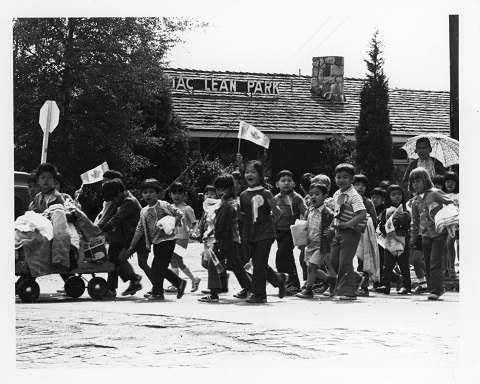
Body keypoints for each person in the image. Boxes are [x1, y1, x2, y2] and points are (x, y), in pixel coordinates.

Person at [238, 158, 289, 304]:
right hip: (251, 234)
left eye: (253, 171)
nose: (249, 174)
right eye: (247, 172)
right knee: (258, 262)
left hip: (266, 233)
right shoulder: (243, 195)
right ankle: (279, 279)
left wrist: (274, 207)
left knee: (259, 262)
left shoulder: (266, 193)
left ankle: (259, 294)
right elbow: (242, 217)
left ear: (260, 175)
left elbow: (278, 213)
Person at [127, 178, 187, 300]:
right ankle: (178, 283)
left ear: (158, 193)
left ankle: (158, 292)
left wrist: (171, 224)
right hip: (156, 243)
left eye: (151, 191)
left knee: (157, 267)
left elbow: (179, 213)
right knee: (159, 267)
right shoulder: (143, 211)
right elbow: (139, 229)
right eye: (145, 192)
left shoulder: (164, 205)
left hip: (168, 241)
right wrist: (132, 246)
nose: (147, 194)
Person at [199, 174, 252, 302]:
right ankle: (250, 286)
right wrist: (208, 233)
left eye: (224, 188)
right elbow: (217, 223)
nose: (221, 192)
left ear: (230, 189)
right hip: (225, 240)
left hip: (227, 240)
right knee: (235, 265)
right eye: (218, 189)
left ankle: (214, 294)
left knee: (213, 265)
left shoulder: (231, 204)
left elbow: (226, 223)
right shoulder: (220, 203)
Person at [408, 167, 454, 300]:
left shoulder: (434, 193)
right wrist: (413, 238)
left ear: (426, 181)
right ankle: (434, 288)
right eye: (413, 182)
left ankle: (436, 290)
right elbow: (414, 222)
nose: (415, 184)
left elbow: (450, 202)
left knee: (435, 261)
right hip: (425, 235)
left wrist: (447, 216)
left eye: (418, 180)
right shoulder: (415, 201)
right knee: (427, 262)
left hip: (439, 232)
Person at [324, 163, 367, 300]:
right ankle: (357, 278)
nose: (341, 180)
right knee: (333, 260)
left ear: (352, 179)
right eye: (338, 177)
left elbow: (362, 214)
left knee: (345, 261)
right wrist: (332, 226)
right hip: (338, 231)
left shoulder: (354, 195)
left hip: (351, 231)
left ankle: (347, 292)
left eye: (345, 177)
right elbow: (337, 213)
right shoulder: (337, 193)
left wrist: (347, 224)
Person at [98, 178, 143, 297]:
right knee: (113, 260)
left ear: (119, 192)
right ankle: (133, 280)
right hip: (120, 237)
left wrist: (102, 231)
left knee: (115, 261)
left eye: (113, 198)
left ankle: (113, 288)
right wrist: (95, 229)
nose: (112, 201)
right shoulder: (119, 201)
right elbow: (107, 217)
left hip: (130, 237)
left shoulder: (129, 201)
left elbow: (116, 219)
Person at [296, 183, 336, 299]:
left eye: (317, 194)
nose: (313, 197)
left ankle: (308, 289)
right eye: (311, 194)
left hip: (321, 245)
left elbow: (334, 226)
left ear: (325, 196)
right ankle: (331, 280)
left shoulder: (328, 213)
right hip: (310, 244)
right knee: (311, 267)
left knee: (312, 266)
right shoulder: (309, 211)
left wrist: (332, 231)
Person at [274, 170, 307, 295]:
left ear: (294, 184)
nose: (286, 183)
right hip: (278, 232)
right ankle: (292, 284)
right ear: (277, 184)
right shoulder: (275, 198)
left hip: (291, 232)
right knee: (287, 258)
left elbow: (306, 211)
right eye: (283, 181)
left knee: (281, 256)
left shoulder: (297, 198)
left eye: (289, 180)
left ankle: (288, 281)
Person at [375, 185, 412, 295]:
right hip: (389, 241)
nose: (397, 197)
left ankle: (407, 286)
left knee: (404, 265)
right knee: (388, 265)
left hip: (402, 240)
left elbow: (407, 224)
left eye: (399, 194)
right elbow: (381, 225)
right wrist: (386, 226)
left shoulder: (406, 210)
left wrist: (399, 220)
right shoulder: (386, 210)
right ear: (388, 197)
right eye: (393, 195)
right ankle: (386, 286)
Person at [165, 182, 201, 293]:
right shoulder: (169, 207)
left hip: (182, 238)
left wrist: (194, 232)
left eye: (179, 193)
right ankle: (194, 279)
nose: (177, 196)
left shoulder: (187, 209)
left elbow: (195, 223)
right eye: (174, 193)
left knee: (173, 260)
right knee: (179, 262)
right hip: (171, 237)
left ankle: (176, 284)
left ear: (184, 194)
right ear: (170, 194)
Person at [442, 171, 459, 279]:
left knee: (450, 244)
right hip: (443, 223)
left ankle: (451, 267)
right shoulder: (440, 194)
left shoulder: (458, 195)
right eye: (447, 182)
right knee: (443, 246)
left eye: (453, 182)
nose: (450, 184)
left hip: (454, 224)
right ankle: (445, 269)